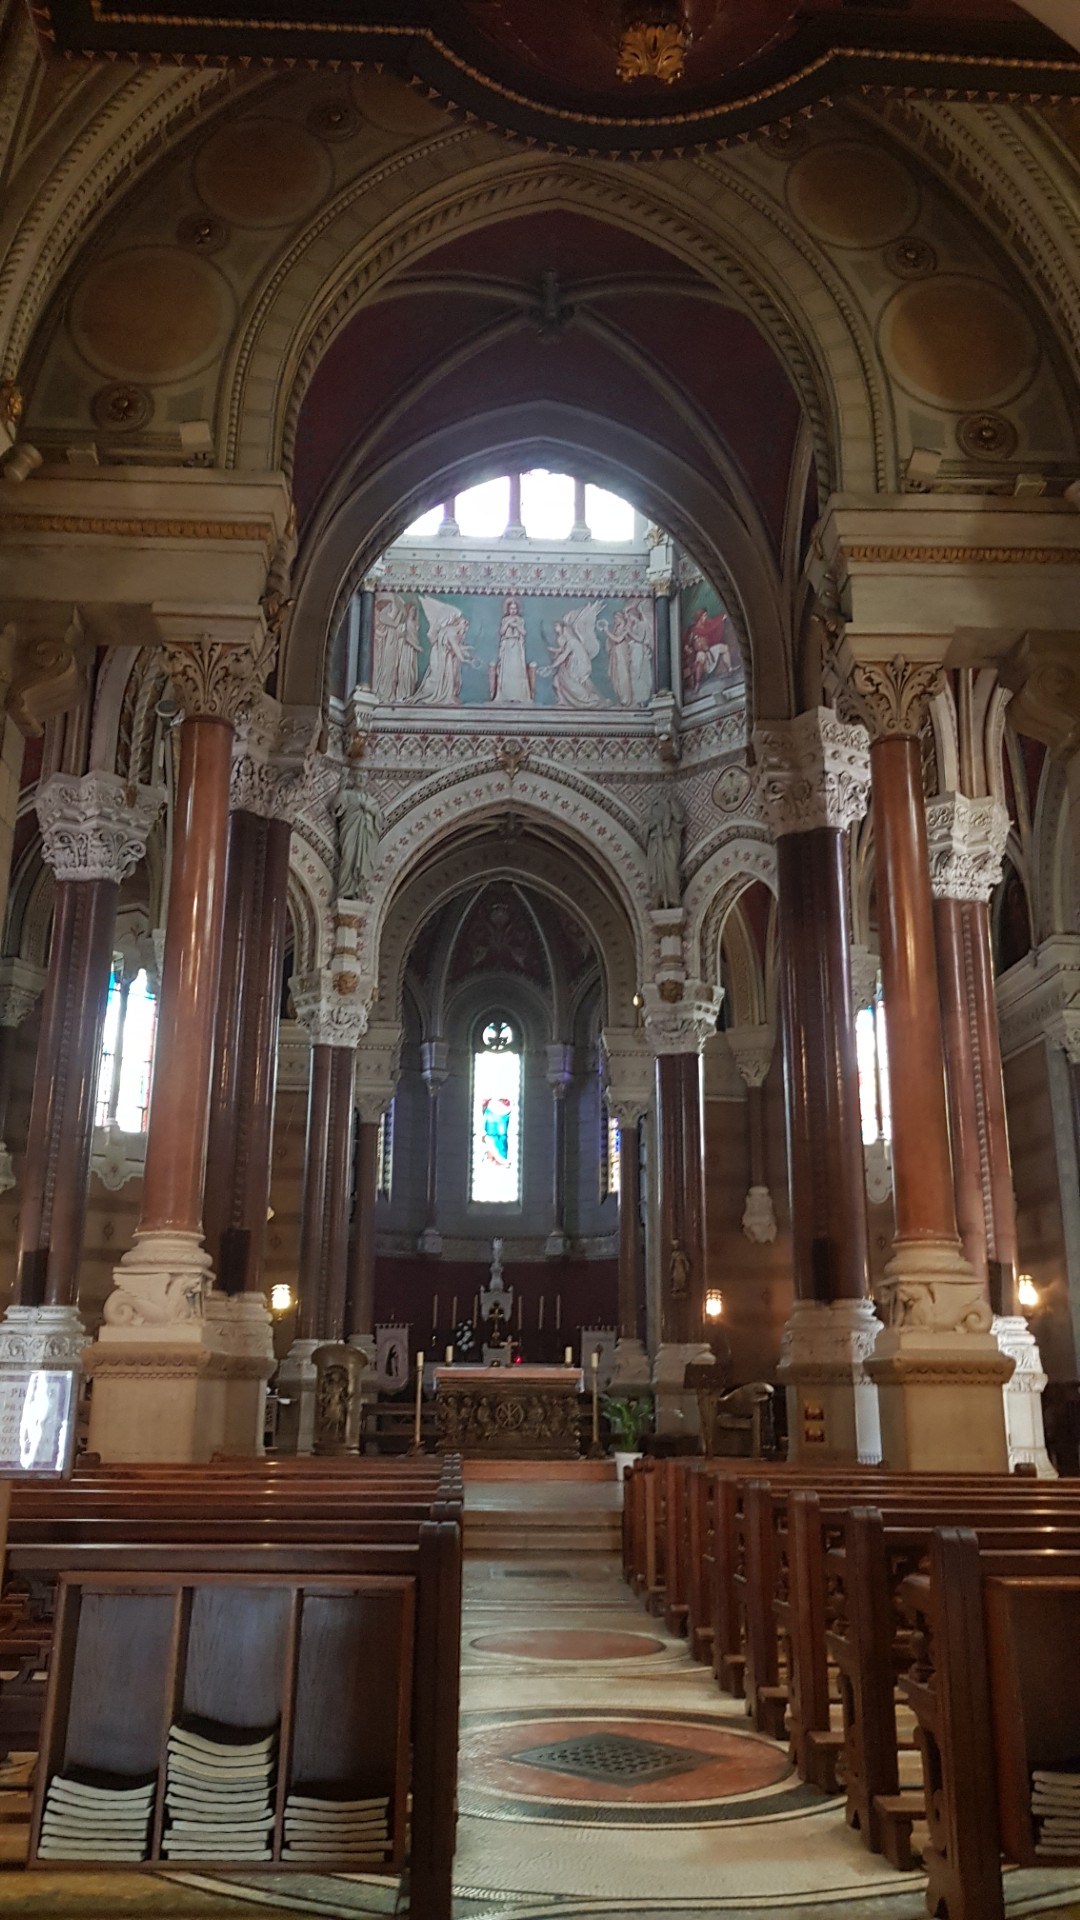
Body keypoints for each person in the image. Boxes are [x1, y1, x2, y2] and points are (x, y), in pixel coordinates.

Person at [414, 596, 475, 705]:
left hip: (447, 658)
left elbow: (458, 647)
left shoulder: (456, 633)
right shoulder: (450, 631)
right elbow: (456, 648)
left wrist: (468, 655)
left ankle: (450, 695)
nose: (465, 627)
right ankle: (435, 695)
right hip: (440, 657)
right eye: (464, 623)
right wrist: (464, 659)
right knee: (437, 678)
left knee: (452, 678)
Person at [545, 602, 604, 708]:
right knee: (557, 680)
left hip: (577, 665)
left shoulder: (572, 641)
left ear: (564, 628)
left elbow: (563, 655)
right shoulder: (569, 641)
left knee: (568, 681)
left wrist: (552, 666)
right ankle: (562, 700)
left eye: (557, 626)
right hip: (572, 664)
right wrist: (554, 651)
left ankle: (588, 700)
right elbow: (563, 651)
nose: (555, 628)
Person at [373, 591, 421, 703]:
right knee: (387, 670)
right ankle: (384, 694)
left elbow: (395, 630)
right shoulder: (382, 616)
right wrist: (401, 611)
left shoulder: (386, 617)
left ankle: (389, 694)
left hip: (391, 645)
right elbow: (395, 624)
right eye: (389, 606)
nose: (390, 608)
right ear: (385, 607)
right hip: (387, 648)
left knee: (392, 670)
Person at [606, 597, 653, 706]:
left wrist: (628, 632)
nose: (628, 618)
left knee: (638, 674)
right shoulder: (632, 626)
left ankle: (641, 699)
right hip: (633, 651)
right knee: (633, 675)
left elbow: (640, 638)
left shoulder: (641, 625)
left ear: (634, 615)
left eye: (629, 616)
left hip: (638, 650)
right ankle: (635, 699)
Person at [336, 786, 380, 896]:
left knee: (363, 861)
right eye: (359, 777)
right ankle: (345, 890)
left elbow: (377, 814)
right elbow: (336, 808)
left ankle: (358, 889)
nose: (361, 779)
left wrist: (368, 808)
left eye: (364, 777)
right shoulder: (347, 794)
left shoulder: (371, 800)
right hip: (350, 831)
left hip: (364, 836)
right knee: (347, 857)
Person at [645, 787, 685, 909]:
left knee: (671, 869)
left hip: (669, 842)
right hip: (656, 844)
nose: (663, 793)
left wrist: (671, 803)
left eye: (665, 791)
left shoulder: (672, 804)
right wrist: (653, 825)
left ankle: (672, 897)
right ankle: (659, 897)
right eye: (661, 791)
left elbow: (679, 818)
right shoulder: (653, 808)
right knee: (656, 872)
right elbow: (644, 825)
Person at [491, 595, 533, 704]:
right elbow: (501, 632)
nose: (513, 610)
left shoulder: (520, 620)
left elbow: (524, 632)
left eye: (515, 608)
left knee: (517, 670)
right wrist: (508, 623)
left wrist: (516, 625)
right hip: (507, 646)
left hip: (517, 646)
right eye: (511, 608)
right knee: (507, 671)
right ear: (508, 609)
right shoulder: (505, 620)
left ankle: (518, 695)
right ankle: (505, 695)